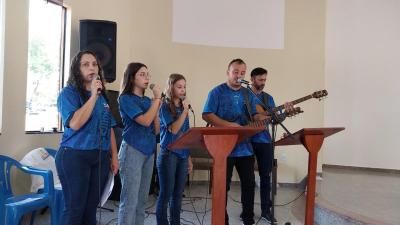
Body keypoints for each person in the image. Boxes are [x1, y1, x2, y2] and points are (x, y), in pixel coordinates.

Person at [56, 50, 119, 225]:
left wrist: (114, 156)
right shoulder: (68, 94)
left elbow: (110, 127)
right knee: (75, 209)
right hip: (74, 156)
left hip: (100, 158)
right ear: (77, 69)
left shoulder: (102, 97)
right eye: (86, 64)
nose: (92, 68)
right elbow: (75, 123)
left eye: (94, 64)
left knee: (91, 209)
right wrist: (92, 96)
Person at [202, 59, 267, 225]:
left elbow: (254, 116)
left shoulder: (248, 94)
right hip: (223, 148)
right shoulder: (217, 92)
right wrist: (229, 125)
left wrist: (270, 115)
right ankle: (222, 220)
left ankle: (248, 218)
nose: (239, 75)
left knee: (249, 184)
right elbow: (207, 114)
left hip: (245, 147)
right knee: (223, 186)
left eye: (242, 73)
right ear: (228, 72)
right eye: (235, 72)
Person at [117, 62, 161, 225]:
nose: (147, 77)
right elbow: (144, 121)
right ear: (132, 77)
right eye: (142, 74)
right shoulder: (125, 98)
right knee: (130, 201)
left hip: (149, 151)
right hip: (132, 150)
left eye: (148, 74)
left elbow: (156, 129)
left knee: (142, 200)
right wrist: (156, 100)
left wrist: (156, 106)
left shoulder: (149, 101)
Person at [249, 67, 293, 223]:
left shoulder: (268, 98)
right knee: (247, 179)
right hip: (246, 141)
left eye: (265, 80)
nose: (263, 83)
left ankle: (266, 211)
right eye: (260, 80)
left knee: (265, 177)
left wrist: (286, 113)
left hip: (264, 140)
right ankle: (246, 213)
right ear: (252, 78)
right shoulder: (244, 95)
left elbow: (275, 120)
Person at [156, 73, 193, 225]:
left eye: (184, 87)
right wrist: (184, 112)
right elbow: (173, 129)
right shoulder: (164, 106)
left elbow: (186, 135)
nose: (182, 90)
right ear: (171, 87)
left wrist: (189, 158)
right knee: (166, 194)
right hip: (169, 154)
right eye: (179, 87)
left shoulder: (183, 108)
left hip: (183, 155)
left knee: (178, 194)